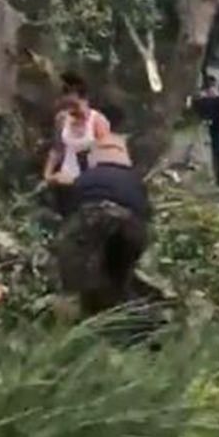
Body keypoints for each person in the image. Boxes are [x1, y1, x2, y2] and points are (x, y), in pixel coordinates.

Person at [52, 106, 153, 315]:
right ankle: (132, 316)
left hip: (89, 218)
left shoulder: (85, 178)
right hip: (129, 224)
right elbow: (145, 214)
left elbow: (68, 210)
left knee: (76, 276)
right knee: (120, 274)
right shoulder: (134, 180)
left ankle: (79, 309)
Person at [43, 71, 111, 215]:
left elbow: (106, 158)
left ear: (84, 99)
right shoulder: (62, 119)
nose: (71, 110)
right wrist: (48, 174)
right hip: (64, 179)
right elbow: (57, 149)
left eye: (74, 105)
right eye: (67, 105)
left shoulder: (98, 122)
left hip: (90, 183)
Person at [193, 76, 219, 188]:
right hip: (213, 128)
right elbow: (200, 112)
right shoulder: (205, 101)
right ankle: (218, 179)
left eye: (212, 88)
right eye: (208, 89)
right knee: (215, 153)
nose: (210, 91)